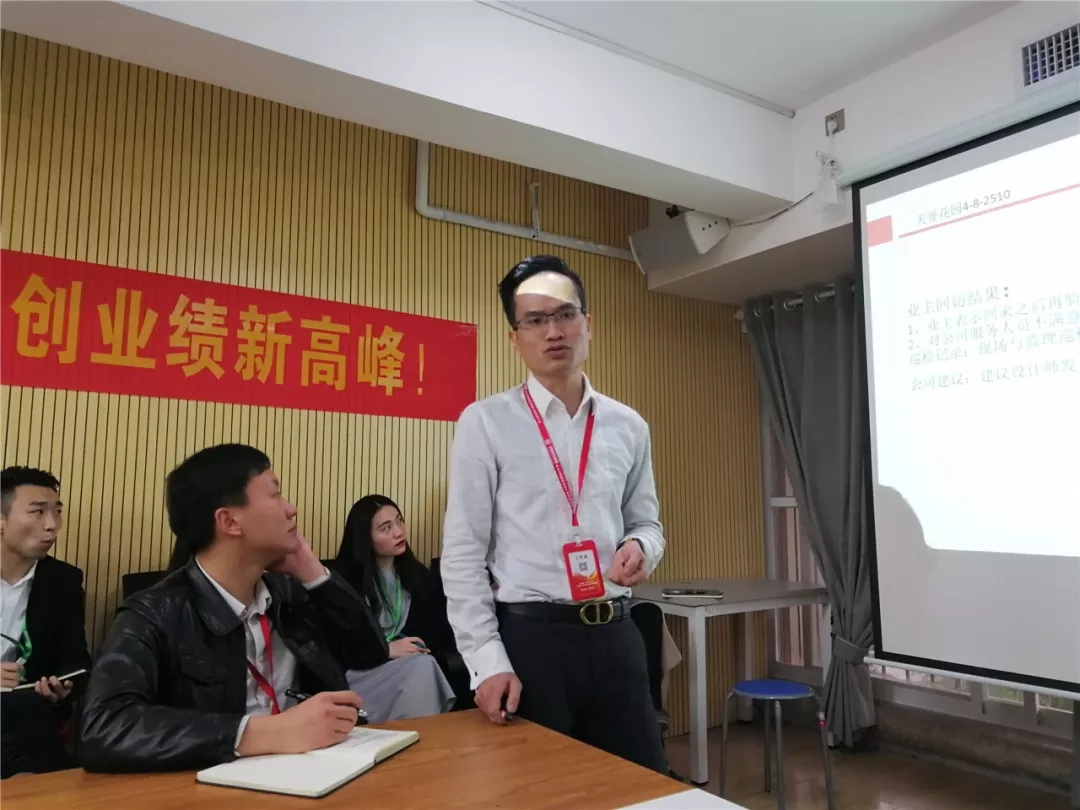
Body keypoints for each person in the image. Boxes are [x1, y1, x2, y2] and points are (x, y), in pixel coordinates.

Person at [441, 254, 668, 773]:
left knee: (640, 785)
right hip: (532, 641)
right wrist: (486, 662)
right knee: (543, 791)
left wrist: (641, 547)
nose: (553, 331)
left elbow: (647, 523)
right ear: (515, 337)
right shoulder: (486, 422)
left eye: (565, 315)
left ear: (588, 323)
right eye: (535, 320)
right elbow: (463, 552)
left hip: (615, 633)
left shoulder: (628, 425)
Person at [78, 444, 388, 773]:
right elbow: (103, 726)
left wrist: (312, 572)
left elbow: (370, 654)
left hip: (313, 771)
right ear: (229, 521)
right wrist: (263, 733)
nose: (291, 508)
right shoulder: (154, 613)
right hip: (214, 783)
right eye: (275, 494)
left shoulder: (289, 595)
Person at [332, 495, 462, 720]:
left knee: (424, 665)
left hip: (409, 665)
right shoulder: (344, 581)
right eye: (386, 528)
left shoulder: (417, 575)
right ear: (365, 537)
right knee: (423, 668)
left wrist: (418, 645)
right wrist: (385, 650)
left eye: (399, 521)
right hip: (361, 673)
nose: (399, 532)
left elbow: (438, 631)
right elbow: (336, 646)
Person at [0, 466, 91, 778]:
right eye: (37, 512)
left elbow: (76, 663)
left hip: (28, 715)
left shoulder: (63, 581)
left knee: (23, 710)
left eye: (56, 512)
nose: (52, 525)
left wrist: (61, 689)